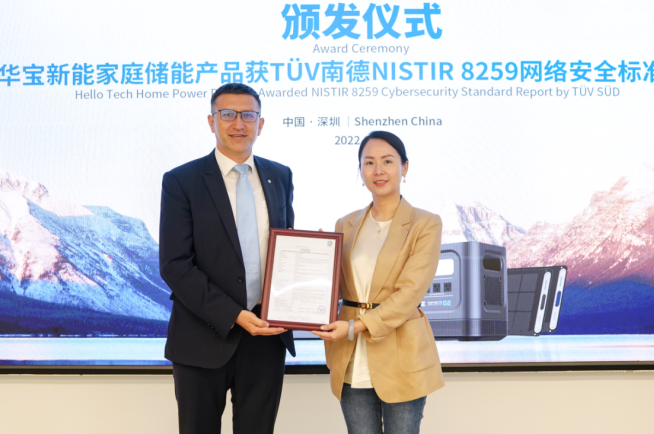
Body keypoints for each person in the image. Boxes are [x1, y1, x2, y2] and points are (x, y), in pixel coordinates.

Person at [159, 83, 295, 434]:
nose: (238, 124)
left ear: (260, 124)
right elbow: (175, 264)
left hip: (265, 338)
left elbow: (286, 252)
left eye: (248, 115)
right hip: (201, 338)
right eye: (228, 114)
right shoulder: (181, 181)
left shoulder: (280, 176)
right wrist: (234, 314)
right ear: (212, 121)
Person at [312, 130, 444, 434]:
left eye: (387, 161)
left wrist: (355, 327)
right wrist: (317, 260)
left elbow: (410, 293)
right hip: (350, 354)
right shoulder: (345, 224)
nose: (378, 170)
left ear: (404, 167)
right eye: (369, 162)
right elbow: (335, 287)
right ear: (360, 171)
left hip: (400, 353)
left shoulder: (426, 223)